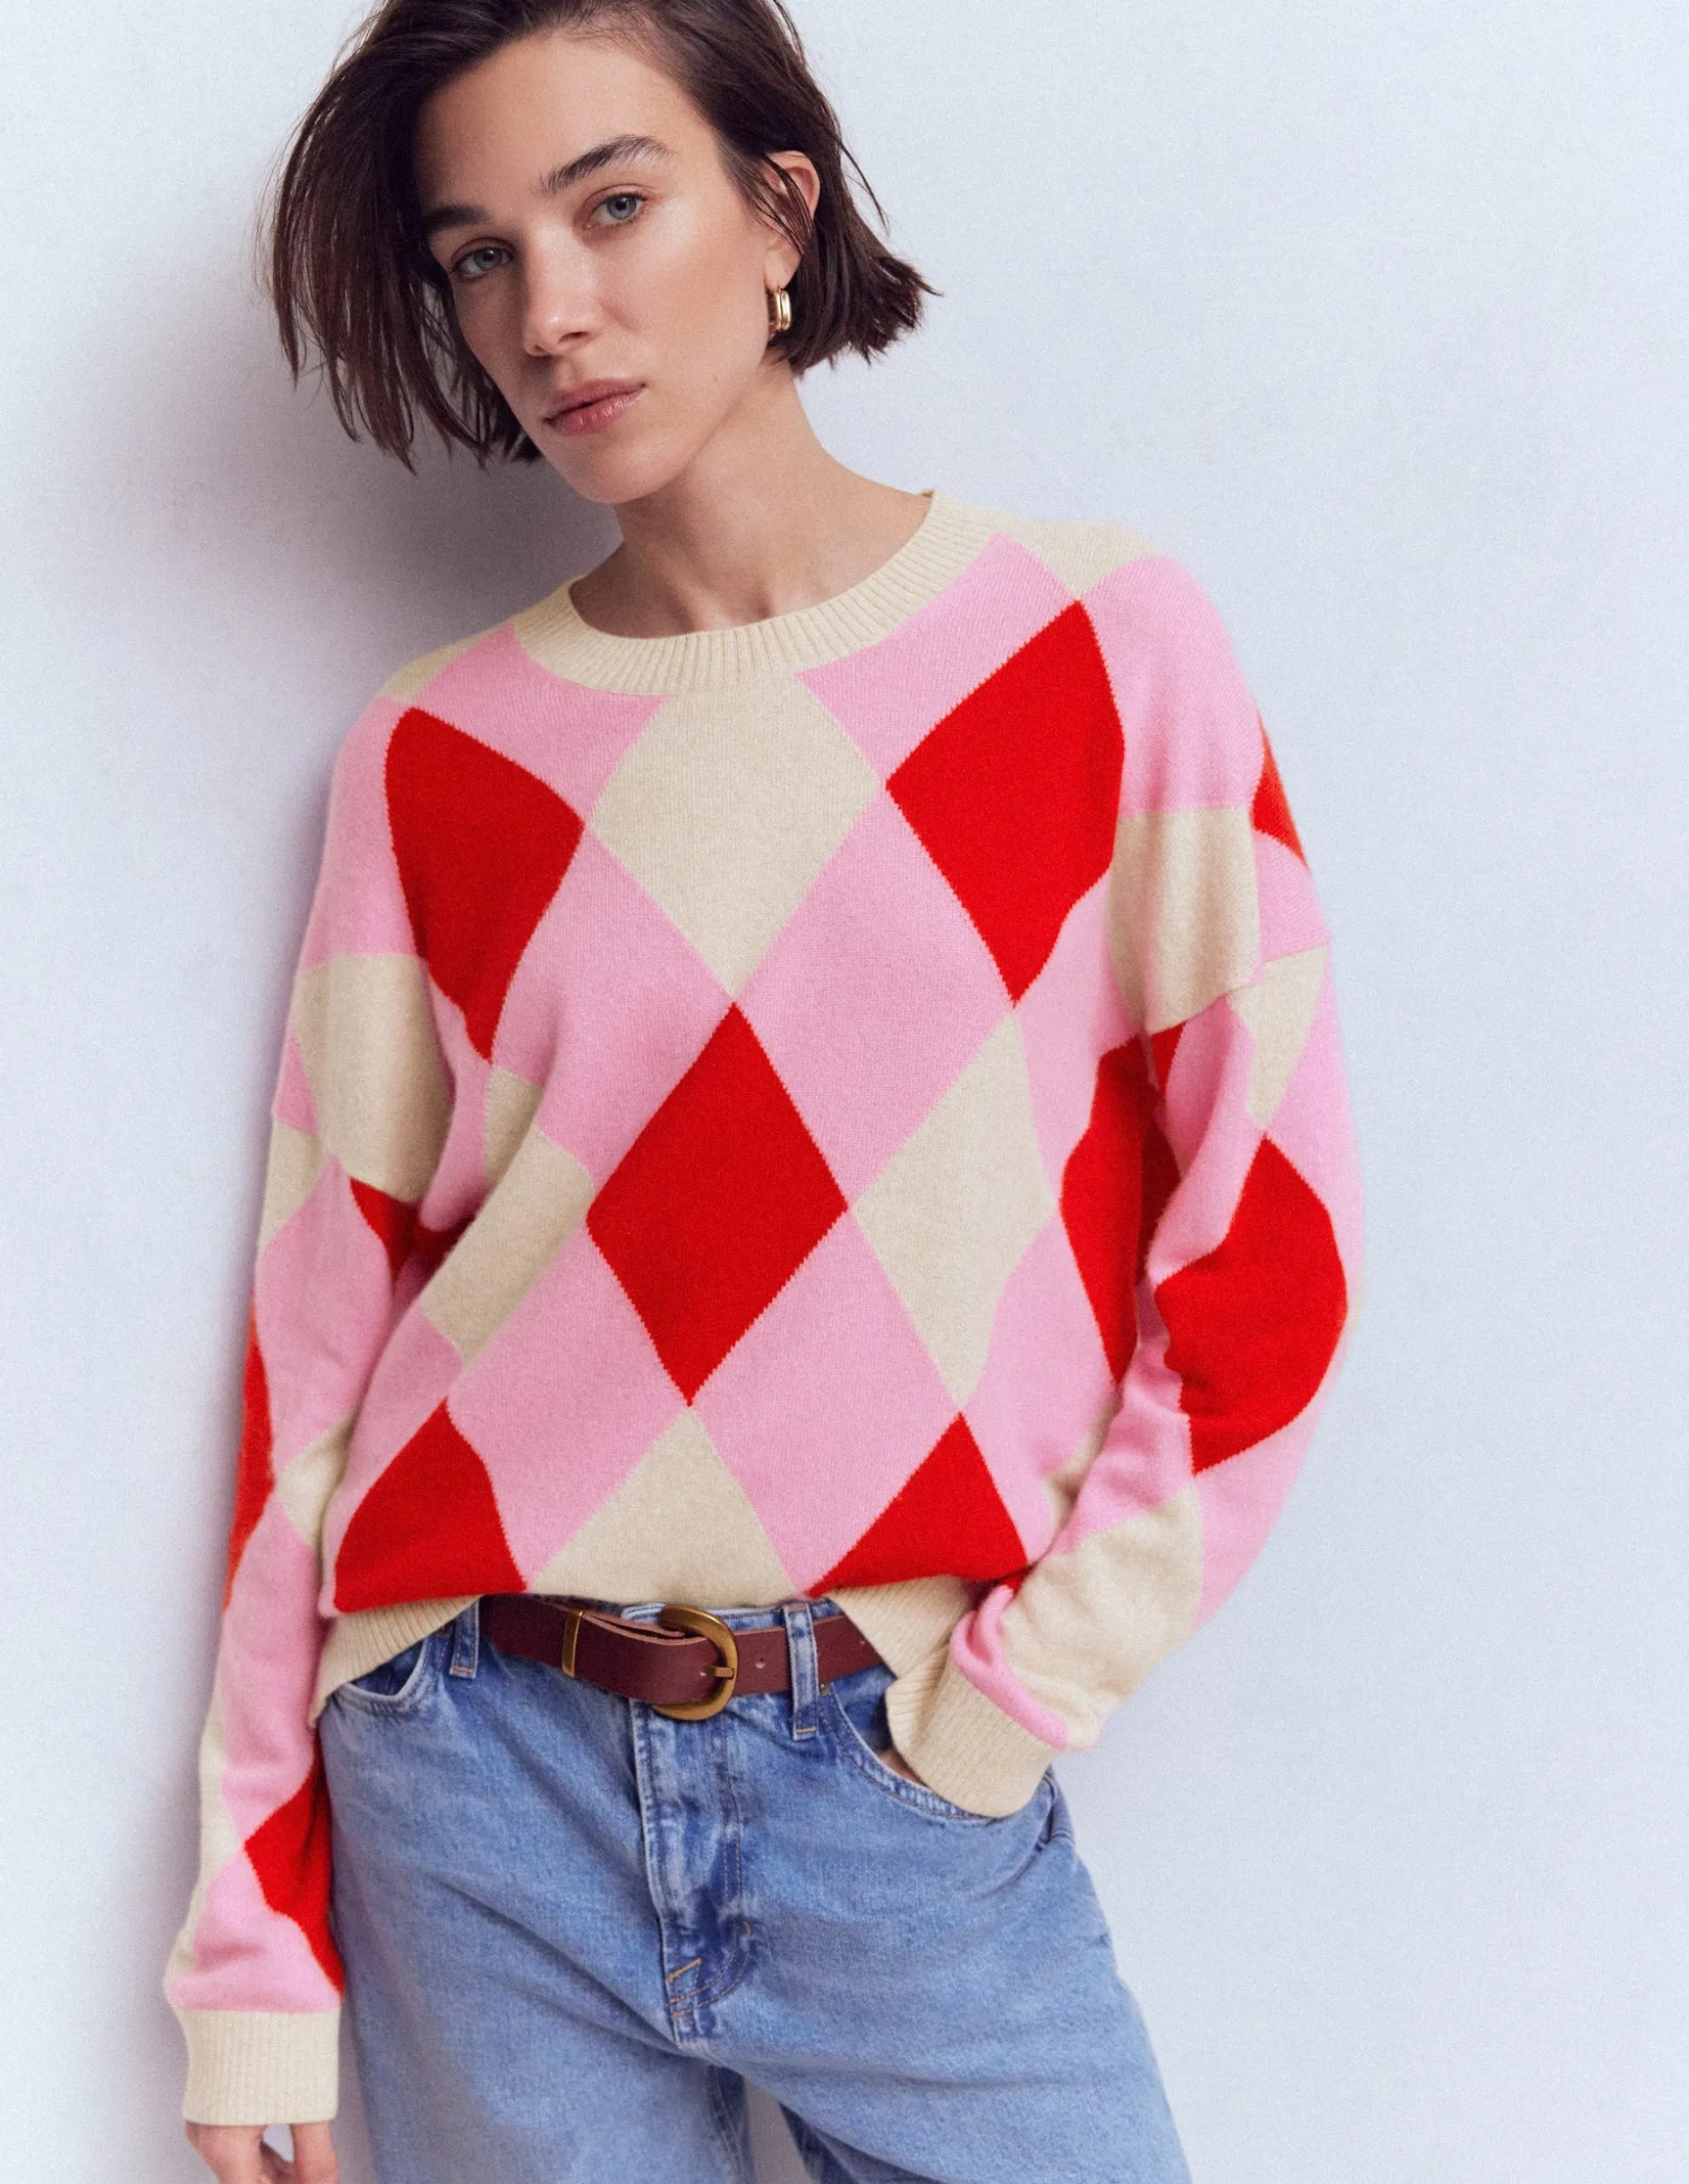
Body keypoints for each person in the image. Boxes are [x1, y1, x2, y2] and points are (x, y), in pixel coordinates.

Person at [165, 3, 1364, 2179]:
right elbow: (316, 1356)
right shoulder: (432, 756)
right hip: (473, 1770)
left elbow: (1267, 1251)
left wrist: (1003, 1712)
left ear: (781, 209)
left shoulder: (1097, 644)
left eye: (613, 205)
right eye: (477, 255)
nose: (549, 310)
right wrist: (251, 1951)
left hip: (899, 1764)